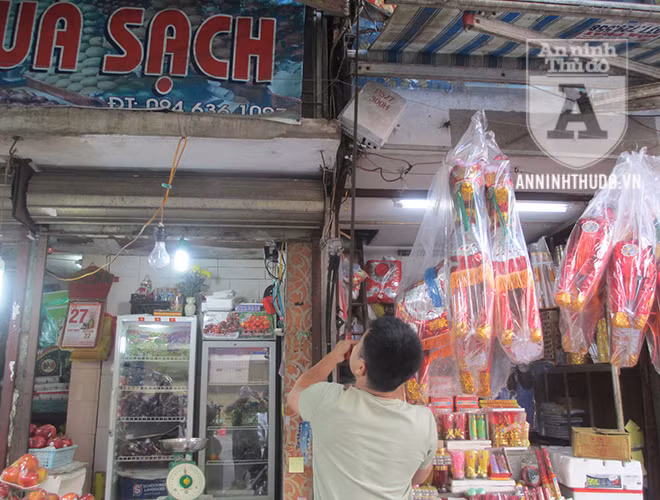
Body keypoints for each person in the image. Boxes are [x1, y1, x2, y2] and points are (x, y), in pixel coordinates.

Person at [287, 316, 438, 500]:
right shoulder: (424, 422)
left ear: (361, 367)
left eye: (358, 344)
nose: (354, 345)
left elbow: (295, 394)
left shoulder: (326, 400)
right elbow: (419, 478)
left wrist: (334, 356)